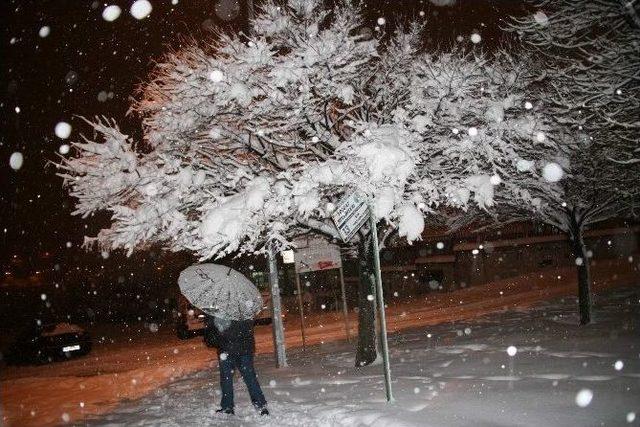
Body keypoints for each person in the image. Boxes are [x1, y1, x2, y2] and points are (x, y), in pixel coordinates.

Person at [204, 315, 269, 416]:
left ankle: (227, 407)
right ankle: (260, 405)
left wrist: (212, 323)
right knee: (250, 377)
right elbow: (248, 326)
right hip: (244, 348)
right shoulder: (244, 307)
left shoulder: (220, 308)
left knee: (226, 379)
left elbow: (213, 329)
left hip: (226, 349)